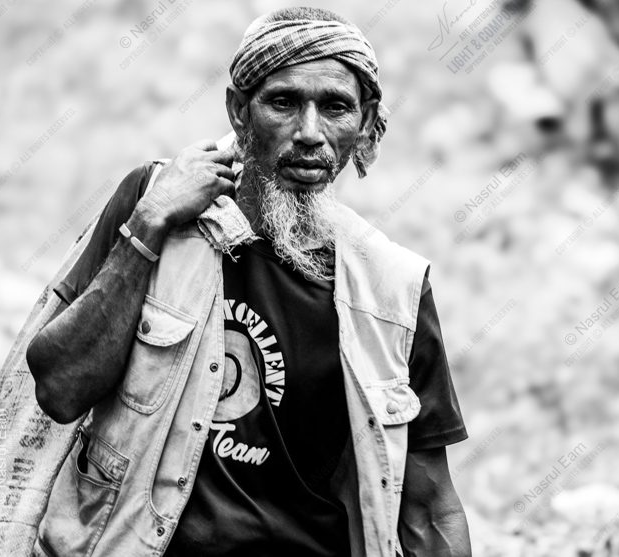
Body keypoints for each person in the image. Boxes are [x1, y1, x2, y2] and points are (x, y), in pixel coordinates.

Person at [25, 6, 471, 557]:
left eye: (335, 107)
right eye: (283, 102)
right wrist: (145, 229)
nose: (310, 133)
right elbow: (59, 389)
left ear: (364, 120)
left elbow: (429, 507)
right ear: (239, 110)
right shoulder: (155, 204)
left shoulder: (392, 289)